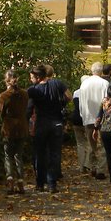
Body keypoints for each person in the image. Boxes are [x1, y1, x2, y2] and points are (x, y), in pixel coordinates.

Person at [26, 63, 70, 192]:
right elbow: (69, 96)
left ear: (38, 77)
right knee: (54, 154)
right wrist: (61, 104)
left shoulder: (33, 90)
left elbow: (29, 108)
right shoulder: (57, 84)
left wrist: (26, 120)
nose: (31, 79)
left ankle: (40, 183)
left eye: (32, 77)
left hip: (41, 123)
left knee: (40, 153)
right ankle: (52, 183)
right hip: (57, 123)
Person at [0, 69, 29, 194]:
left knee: (8, 155)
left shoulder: (4, 95)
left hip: (9, 128)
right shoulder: (25, 94)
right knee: (19, 155)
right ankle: (20, 182)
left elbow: (2, 113)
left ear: (6, 80)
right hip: (22, 126)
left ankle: (10, 181)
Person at [78, 62, 109, 179]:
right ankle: (101, 169)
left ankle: (92, 167)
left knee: (91, 144)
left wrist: (83, 115)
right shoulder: (104, 83)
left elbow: (81, 102)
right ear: (101, 72)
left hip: (88, 117)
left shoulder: (84, 84)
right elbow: (106, 102)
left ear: (92, 71)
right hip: (102, 118)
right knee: (103, 145)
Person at [71, 77, 90, 174]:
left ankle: (81, 166)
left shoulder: (76, 92)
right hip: (86, 119)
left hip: (76, 119)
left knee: (80, 144)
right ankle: (88, 163)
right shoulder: (89, 92)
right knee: (90, 142)